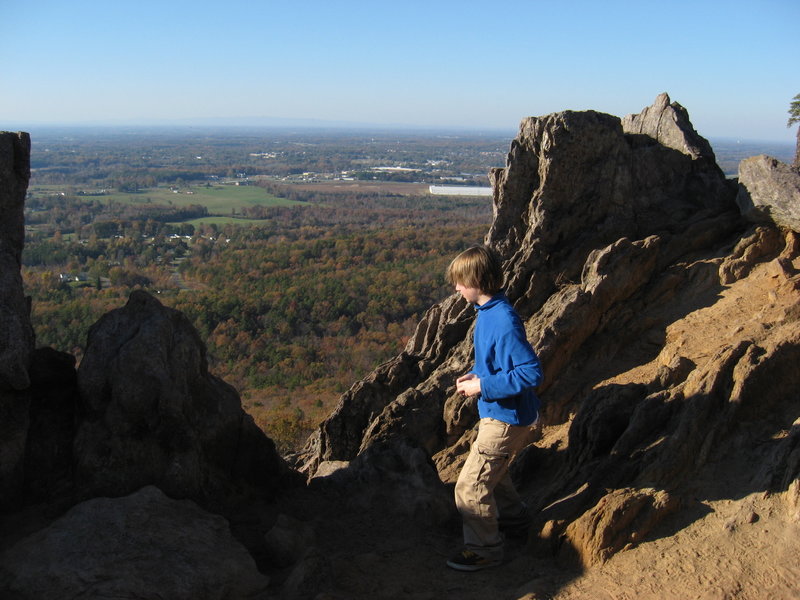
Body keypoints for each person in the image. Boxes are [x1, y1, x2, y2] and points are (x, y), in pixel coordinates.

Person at [444, 245, 543, 572]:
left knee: (469, 488)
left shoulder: (502, 319)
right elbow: (500, 363)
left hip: (506, 419)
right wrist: (479, 374)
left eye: (460, 282)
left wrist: (482, 386)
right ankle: (515, 523)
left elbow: (530, 371)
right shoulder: (488, 312)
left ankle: (485, 548)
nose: (456, 288)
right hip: (501, 415)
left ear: (478, 280)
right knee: (495, 476)